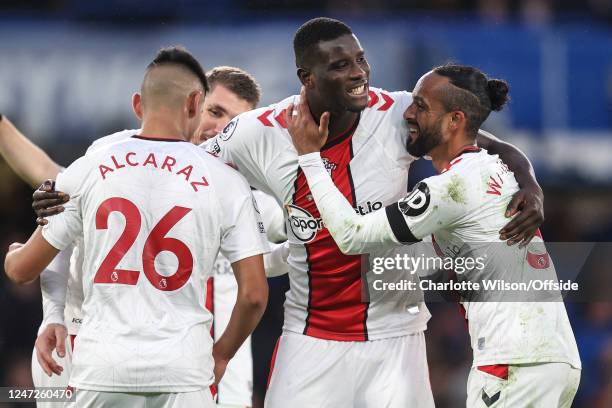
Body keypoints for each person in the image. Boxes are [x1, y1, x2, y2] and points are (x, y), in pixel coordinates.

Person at [202, 18, 545, 407]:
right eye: (340, 65)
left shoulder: (397, 112)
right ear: (307, 77)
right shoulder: (259, 131)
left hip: (397, 336)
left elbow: (491, 145)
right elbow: (194, 170)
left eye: (360, 59)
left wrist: (531, 185)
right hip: (310, 338)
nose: (358, 73)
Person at [287, 64, 581, 407]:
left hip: (514, 363)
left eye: (422, 106)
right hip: (553, 359)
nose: (409, 113)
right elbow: (420, 257)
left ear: (454, 121)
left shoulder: (450, 188)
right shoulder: (493, 167)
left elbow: (353, 236)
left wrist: (309, 157)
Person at [0, 66, 286, 408]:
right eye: (215, 111)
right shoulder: (113, 152)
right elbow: (64, 232)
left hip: (199, 368)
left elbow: (263, 268)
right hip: (97, 348)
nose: (221, 129)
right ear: (192, 105)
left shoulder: (243, 192)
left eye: (236, 122)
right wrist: (54, 315)